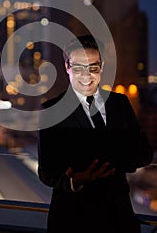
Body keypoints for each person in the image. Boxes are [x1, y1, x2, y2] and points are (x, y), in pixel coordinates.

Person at [38, 35, 153, 233]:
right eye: (78, 68)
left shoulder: (120, 104)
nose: (87, 75)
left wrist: (110, 161)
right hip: (73, 220)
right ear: (67, 66)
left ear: (102, 66)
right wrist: (74, 181)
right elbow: (46, 171)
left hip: (119, 218)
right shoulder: (52, 111)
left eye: (93, 67)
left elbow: (145, 153)